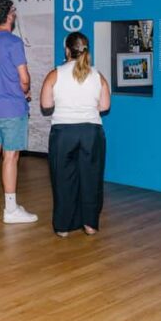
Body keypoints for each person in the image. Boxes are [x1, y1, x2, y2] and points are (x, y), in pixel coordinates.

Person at [39, 32, 110, 237]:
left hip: (63, 133)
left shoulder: (55, 74)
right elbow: (105, 106)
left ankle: (63, 226)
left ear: (67, 50)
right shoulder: (98, 75)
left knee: (62, 179)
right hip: (91, 132)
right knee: (91, 178)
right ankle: (90, 224)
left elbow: (46, 104)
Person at [0, 0, 37, 224]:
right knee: (11, 156)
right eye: (13, 11)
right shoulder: (13, 42)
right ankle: (11, 209)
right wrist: (26, 91)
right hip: (12, 107)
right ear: (9, 16)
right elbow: (24, 79)